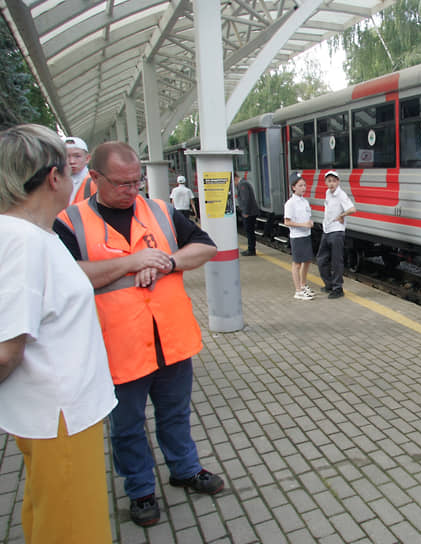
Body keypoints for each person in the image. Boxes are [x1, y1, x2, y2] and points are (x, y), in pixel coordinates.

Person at [54, 141, 224, 527]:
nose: (133, 190)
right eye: (123, 183)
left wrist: (165, 262)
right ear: (95, 178)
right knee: (127, 425)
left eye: (137, 181)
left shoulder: (160, 210)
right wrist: (132, 262)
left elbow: (204, 247)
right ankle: (140, 489)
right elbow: (66, 275)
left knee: (176, 414)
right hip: (118, 345)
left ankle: (185, 468)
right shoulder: (70, 221)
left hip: (171, 340)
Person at [0, 124, 117, 543]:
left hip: (58, 416)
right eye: (68, 172)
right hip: (59, 418)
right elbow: (5, 351)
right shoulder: (22, 242)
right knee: (73, 530)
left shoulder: (33, 236)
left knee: (48, 517)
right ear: (54, 178)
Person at [316, 170, 356, 299]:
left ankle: (338, 288)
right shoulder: (328, 193)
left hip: (337, 231)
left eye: (334, 181)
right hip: (327, 230)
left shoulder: (341, 194)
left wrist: (342, 215)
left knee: (336, 261)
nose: (331, 183)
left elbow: (352, 209)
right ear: (326, 183)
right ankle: (329, 284)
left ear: (338, 182)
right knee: (321, 259)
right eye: (329, 181)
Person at [284, 172, 315, 300]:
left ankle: (303, 285)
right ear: (293, 187)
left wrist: (309, 224)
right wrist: (303, 225)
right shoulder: (290, 203)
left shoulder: (305, 202)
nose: (303, 187)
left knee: (307, 261)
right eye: (300, 185)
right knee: (297, 264)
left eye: (304, 185)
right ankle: (298, 291)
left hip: (306, 235)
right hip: (297, 237)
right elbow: (287, 221)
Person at [63, 135, 97, 204]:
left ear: (87, 158)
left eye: (77, 156)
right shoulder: (55, 182)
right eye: (66, 156)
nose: (72, 161)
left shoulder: (95, 182)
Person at [236, 172, 259, 256]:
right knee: (249, 231)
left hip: (249, 213)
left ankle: (251, 249)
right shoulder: (244, 183)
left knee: (249, 231)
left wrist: (245, 212)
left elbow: (246, 199)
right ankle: (251, 249)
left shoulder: (243, 184)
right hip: (250, 212)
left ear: (235, 178)